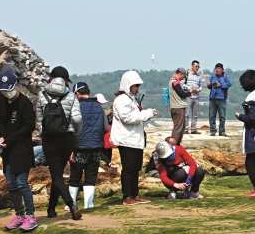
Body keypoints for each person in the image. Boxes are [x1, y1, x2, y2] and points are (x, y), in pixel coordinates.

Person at [0, 69, 39, 231]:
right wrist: (0, 136)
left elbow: (28, 127)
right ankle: (19, 215)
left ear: (17, 86)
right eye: (3, 90)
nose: (7, 93)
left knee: (22, 183)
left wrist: (9, 139)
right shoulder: (1, 100)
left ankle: (31, 216)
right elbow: (0, 121)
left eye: (9, 89)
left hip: (21, 149)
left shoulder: (25, 103)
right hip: (7, 150)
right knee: (11, 184)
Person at [37, 65, 81, 220]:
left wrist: (43, 131)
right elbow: (76, 118)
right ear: (65, 80)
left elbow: (39, 119)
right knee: (58, 174)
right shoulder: (71, 96)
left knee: (56, 175)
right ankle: (51, 208)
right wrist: (76, 131)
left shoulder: (42, 95)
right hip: (67, 137)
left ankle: (71, 205)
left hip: (49, 138)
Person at [110, 71, 159, 204]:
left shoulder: (131, 99)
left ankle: (135, 194)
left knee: (136, 167)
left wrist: (147, 114)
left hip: (135, 139)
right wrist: (146, 113)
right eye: (135, 85)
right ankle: (127, 196)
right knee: (129, 168)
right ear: (128, 85)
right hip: (126, 139)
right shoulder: (121, 100)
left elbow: (135, 116)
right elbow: (127, 118)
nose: (137, 88)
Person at [68, 82, 106, 211]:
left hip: (79, 146)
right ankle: (88, 205)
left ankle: (71, 205)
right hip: (96, 147)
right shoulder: (99, 107)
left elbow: (70, 128)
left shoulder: (75, 106)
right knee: (90, 176)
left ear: (77, 94)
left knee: (75, 176)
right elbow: (105, 128)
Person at [167, 67, 192, 145]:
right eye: (183, 76)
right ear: (181, 74)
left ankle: (177, 144)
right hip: (178, 107)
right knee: (178, 128)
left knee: (181, 127)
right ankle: (173, 145)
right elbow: (181, 93)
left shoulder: (173, 81)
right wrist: (189, 93)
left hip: (178, 107)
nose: (183, 78)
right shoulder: (175, 82)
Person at [206, 63, 231, 137]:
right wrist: (209, 85)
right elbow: (210, 86)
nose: (218, 70)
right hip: (213, 98)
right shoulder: (213, 77)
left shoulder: (226, 76)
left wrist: (221, 85)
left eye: (219, 68)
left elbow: (229, 84)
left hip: (222, 98)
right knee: (211, 115)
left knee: (222, 116)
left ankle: (222, 131)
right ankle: (213, 131)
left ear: (222, 69)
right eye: (216, 68)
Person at [187, 60, 204, 133]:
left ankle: (193, 129)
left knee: (195, 115)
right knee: (186, 114)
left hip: (196, 97)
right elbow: (183, 84)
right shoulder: (187, 75)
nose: (197, 68)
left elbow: (201, 86)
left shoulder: (199, 76)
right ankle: (185, 129)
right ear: (192, 66)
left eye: (198, 67)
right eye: (196, 66)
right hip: (188, 96)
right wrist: (190, 89)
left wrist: (198, 90)